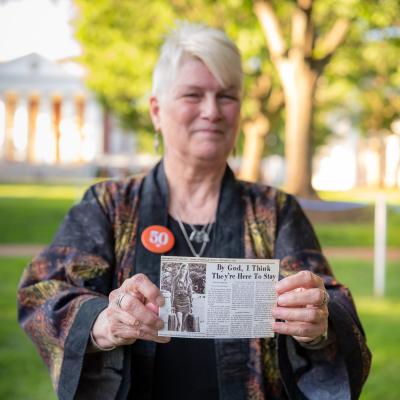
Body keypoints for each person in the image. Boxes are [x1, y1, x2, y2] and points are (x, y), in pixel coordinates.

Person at [18, 22, 371, 400]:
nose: (211, 111)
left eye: (226, 96)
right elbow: (43, 292)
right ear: (156, 110)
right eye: (192, 94)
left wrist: (318, 322)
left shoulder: (275, 211)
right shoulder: (109, 205)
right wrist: (101, 321)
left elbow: (330, 301)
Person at [170, 264, 193, 331]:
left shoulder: (189, 280)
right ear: (180, 269)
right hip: (177, 302)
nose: (184, 270)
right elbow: (172, 293)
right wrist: (172, 305)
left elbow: (190, 293)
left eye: (185, 269)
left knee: (184, 324)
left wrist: (191, 305)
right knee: (179, 324)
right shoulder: (175, 279)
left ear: (187, 271)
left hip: (186, 302)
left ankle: (182, 338)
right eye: (183, 268)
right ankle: (177, 338)